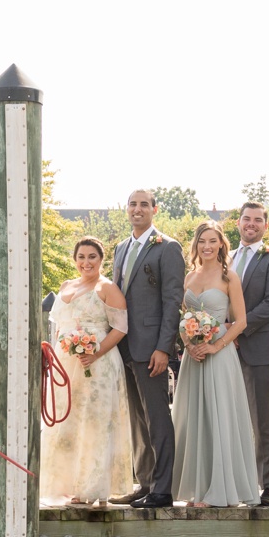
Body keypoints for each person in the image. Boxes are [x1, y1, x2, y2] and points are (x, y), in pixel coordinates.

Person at [171, 222, 261, 506]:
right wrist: (189, 345)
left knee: (218, 415)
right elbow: (184, 319)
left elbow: (241, 321)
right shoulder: (188, 277)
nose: (207, 246)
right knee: (194, 417)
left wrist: (215, 345)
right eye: (202, 242)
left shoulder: (229, 277)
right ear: (196, 245)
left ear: (221, 244)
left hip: (219, 353)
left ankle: (218, 490)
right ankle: (196, 486)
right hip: (193, 355)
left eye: (212, 241)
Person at [41, 237, 135, 504]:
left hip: (99, 363)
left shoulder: (108, 288)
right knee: (67, 421)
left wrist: (95, 352)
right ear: (75, 259)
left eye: (92, 257)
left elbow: (120, 328)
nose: (86, 262)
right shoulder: (66, 286)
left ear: (101, 259)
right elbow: (59, 325)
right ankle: (66, 484)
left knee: (95, 423)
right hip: (67, 362)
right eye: (81, 257)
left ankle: (92, 488)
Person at [111, 189, 185, 508]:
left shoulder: (167, 248)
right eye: (133, 204)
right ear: (126, 209)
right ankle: (144, 482)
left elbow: (172, 302)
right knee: (137, 419)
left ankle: (163, 489)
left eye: (144, 204)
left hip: (151, 347)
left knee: (157, 417)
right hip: (124, 345)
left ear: (154, 210)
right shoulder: (120, 248)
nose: (137, 209)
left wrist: (163, 348)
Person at [230, 202, 269, 506]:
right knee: (232, 419)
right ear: (238, 223)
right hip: (226, 351)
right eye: (246, 219)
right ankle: (238, 483)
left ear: (265, 226)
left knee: (262, 421)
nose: (251, 224)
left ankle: (268, 487)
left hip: (260, 349)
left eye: (257, 220)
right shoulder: (225, 259)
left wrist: (237, 329)